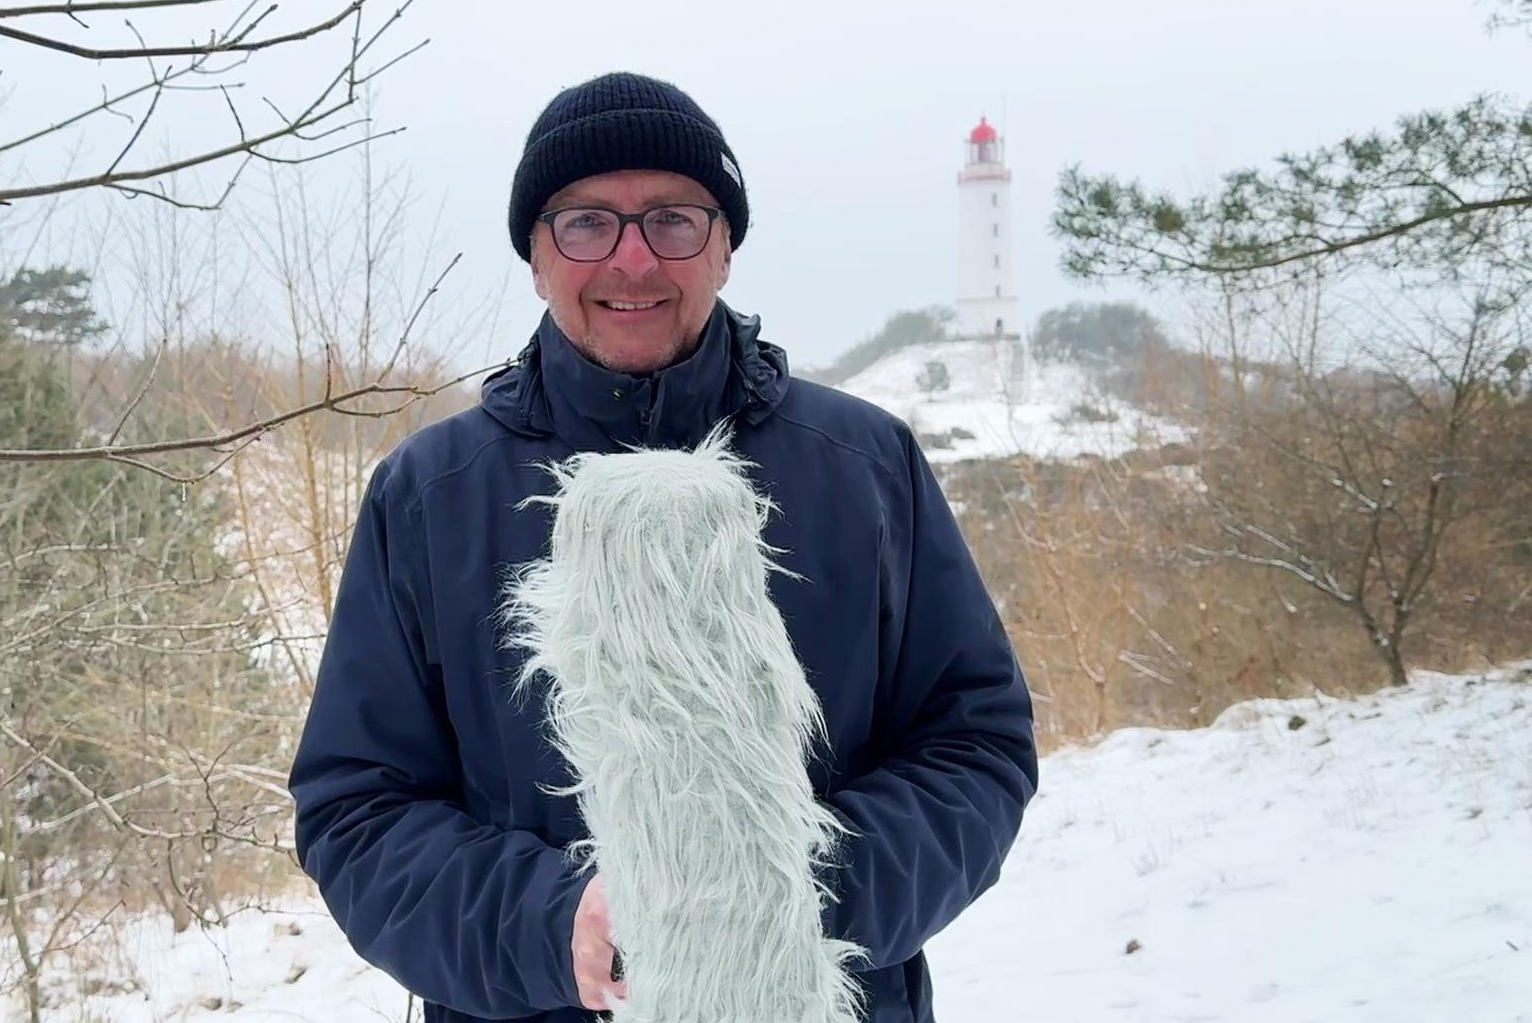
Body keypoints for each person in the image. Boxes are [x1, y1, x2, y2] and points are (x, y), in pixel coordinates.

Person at [289, 72, 1039, 1023]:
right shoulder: (431, 495)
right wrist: (554, 925)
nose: (633, 261)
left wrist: (791, 892)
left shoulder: (863, 465)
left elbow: (975, 743)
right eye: (586, 222)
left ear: (725, 247)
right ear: (534, 253)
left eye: (675, 221)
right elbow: (358, 808)